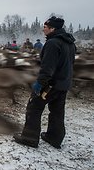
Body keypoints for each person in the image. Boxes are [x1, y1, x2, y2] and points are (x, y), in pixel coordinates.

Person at [13, 16, 76, 149]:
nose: (43, 30)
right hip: (64, 83)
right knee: (57, 111)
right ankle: (55, 138)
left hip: (50, 84)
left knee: (34, 107)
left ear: (52, 28)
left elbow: (48, 68)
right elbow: (70, 63)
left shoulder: (53, 43)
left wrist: (40, 84)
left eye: (45, 27)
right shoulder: (70, 43)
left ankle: (29, 138)